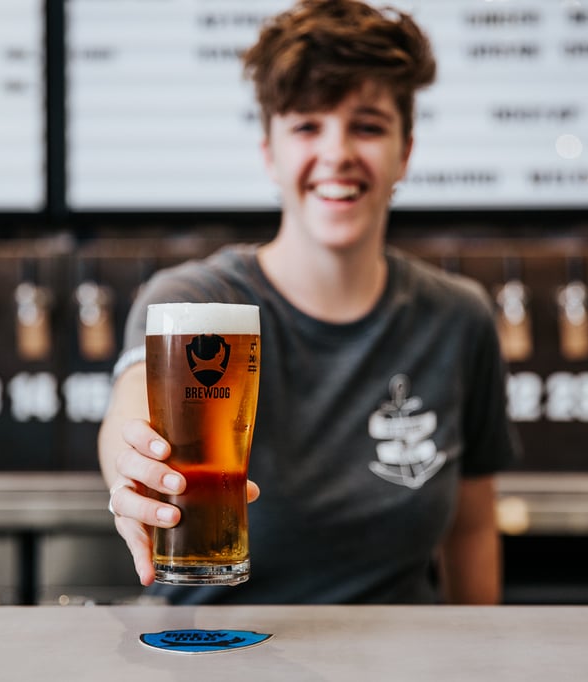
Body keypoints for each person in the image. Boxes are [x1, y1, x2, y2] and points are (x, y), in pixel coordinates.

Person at [99, 0, 519, 605]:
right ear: (269, 152)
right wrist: (132, 469)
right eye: (306, 126)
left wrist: (481, 658)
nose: (337, 153)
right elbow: (130, 415)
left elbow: (473, 525)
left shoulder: (457, 316)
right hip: (215, 658)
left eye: (368, 125)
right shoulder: (195, 302)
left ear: (405, 152)